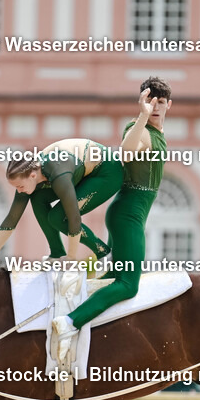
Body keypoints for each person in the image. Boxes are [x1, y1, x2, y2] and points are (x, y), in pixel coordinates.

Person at [50, 77, 171, 350]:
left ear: (168, 105)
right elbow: (126, 153)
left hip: (130, 215)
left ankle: (81, 324)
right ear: (141, 102)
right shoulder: (139, 129)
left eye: (160, 102)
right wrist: (142, 116)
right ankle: (69, 322)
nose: (154, 107)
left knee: (110, 280)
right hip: (127, 216)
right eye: (149, 101)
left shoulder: (157, 133)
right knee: (128, 284)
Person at [0, 138, 124, 262]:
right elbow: (12, 218)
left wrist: (71, 257)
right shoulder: (29, 174)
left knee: (58, 217)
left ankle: (104, 253)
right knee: (37, 198)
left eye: (20, 186)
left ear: (32, 176)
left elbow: (73, 217)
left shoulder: (59, 174)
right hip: (81, 171)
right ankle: (56, 253)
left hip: (107, 172)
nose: (19, 191)